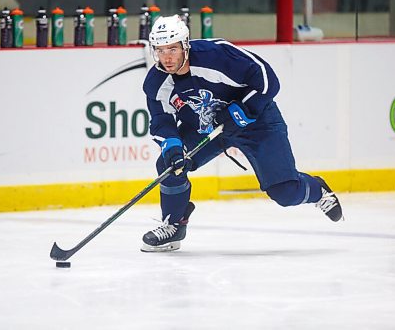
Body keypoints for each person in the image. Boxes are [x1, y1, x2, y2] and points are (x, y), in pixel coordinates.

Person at [141, 15, 343, 252]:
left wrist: (243, 109)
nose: (167, 57)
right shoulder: (156, 83)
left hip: (256, 123)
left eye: (173, 49)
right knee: (169, 166)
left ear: (186, 44)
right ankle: (174, 224)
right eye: (161, 50)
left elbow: (267, 79)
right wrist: (173, 147)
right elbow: (161, 121)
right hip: (209, 129)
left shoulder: (216, 56)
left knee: (285, 192)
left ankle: (317, 190)